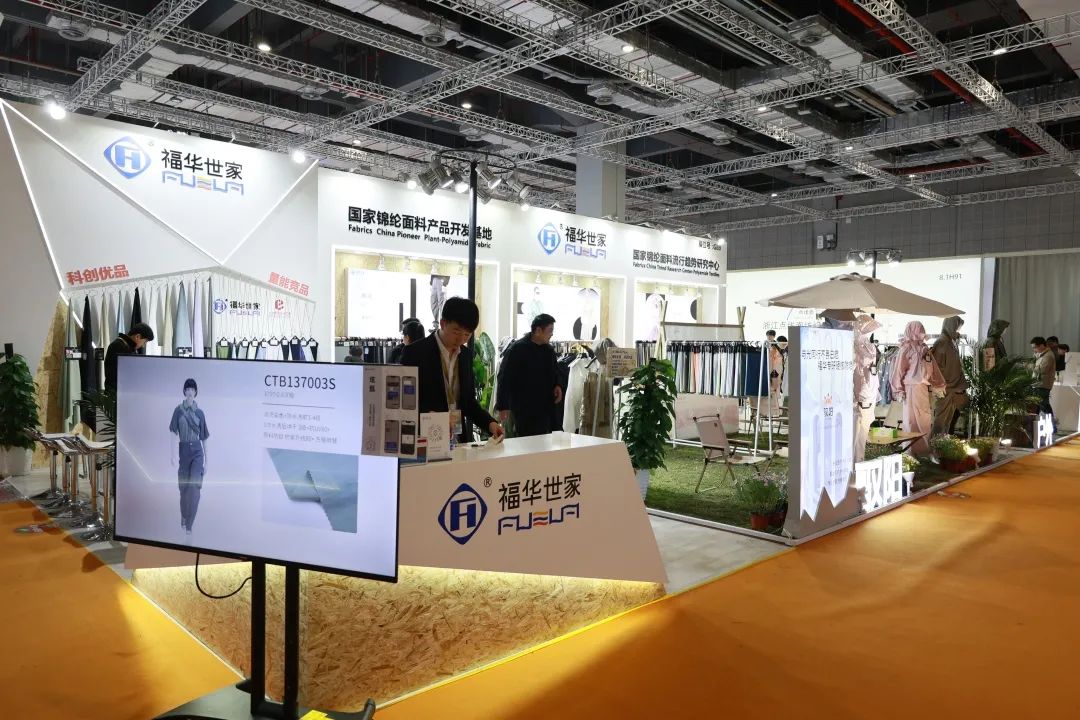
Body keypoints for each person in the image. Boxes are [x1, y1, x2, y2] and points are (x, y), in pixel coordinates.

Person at [401, 297, 504, 443]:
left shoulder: (466, 356)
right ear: (443, 324)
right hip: (427, 438)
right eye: (456, 332)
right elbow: (404, 403)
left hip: (457, 439)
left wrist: (490, 423)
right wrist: (430, 416)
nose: (461, 339)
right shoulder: (415, 353)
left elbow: (468, 402)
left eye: (467, 335)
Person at [496, 314, 563, 437]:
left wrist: (557, 385)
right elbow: (504, 377)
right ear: (538, 330)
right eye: (550, 331)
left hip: (546, 404)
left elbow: (555, 371)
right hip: (523, 406)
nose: (552, 334)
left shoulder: (548, 350)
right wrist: (502, 405)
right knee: (527, 439)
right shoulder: (517, 349)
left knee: (547, 439)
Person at [889, 321, 946, 456]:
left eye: (922, 329)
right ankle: (910, 452)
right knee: (911, 421)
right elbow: (898, 371)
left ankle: (923, 451)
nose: (921, 331)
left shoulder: (925, 349)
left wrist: (939, 384)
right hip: (910, 389)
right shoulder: (905, 349)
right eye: (918, 329)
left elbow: (933, 369)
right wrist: (898, 390)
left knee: (924, 418)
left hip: (923, 388)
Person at [169, 378, 209, 537]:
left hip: (198, 452)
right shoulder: (178, 411)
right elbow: (173, 433)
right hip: (184, 451)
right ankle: (184, 516)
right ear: (184, 391)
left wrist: (208, 461)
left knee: (194, 488)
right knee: (184, 489)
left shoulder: (200, 413)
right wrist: (172, 454)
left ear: (196, 392)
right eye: (188, 389)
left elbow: (204, 438)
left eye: (192, 389)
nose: (190, 392)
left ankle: (189, 524)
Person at [931, 316, 969, 436]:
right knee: (940, 420)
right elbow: (936, 368)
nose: (958, 331)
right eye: (957, 328)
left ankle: (943, 444)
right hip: (945, 388)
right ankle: (934, 444)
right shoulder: (942, 343)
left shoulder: (950, 342)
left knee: (947, 421)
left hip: (953, 388)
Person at [852, 315, 881, 463]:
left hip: (869, 392)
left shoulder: (869, 345)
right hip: (859, 394)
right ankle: (854, 463)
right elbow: (856, 372)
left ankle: (859, 460)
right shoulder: (853, 345)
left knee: (863, 431)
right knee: (855, 431)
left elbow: (872, 371)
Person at [104, 322, 154, 389]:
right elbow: (127, 374)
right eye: (145, 342)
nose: (143, 346)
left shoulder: (128, 346)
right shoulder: (119, 346)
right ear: (137, 337)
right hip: (116, 392)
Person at [1031, 336, 1056, 427]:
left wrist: (1029, 366)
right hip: (1038, 384)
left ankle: (1053, 426)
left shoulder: (1048, 355)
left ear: (1042, 345)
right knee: (1037, 406)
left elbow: (1042, 370)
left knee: (1044, 406)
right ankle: (1033, 426)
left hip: (1043, 385)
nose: (1034, 350)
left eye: (1035, 347)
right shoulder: (1040, 354)